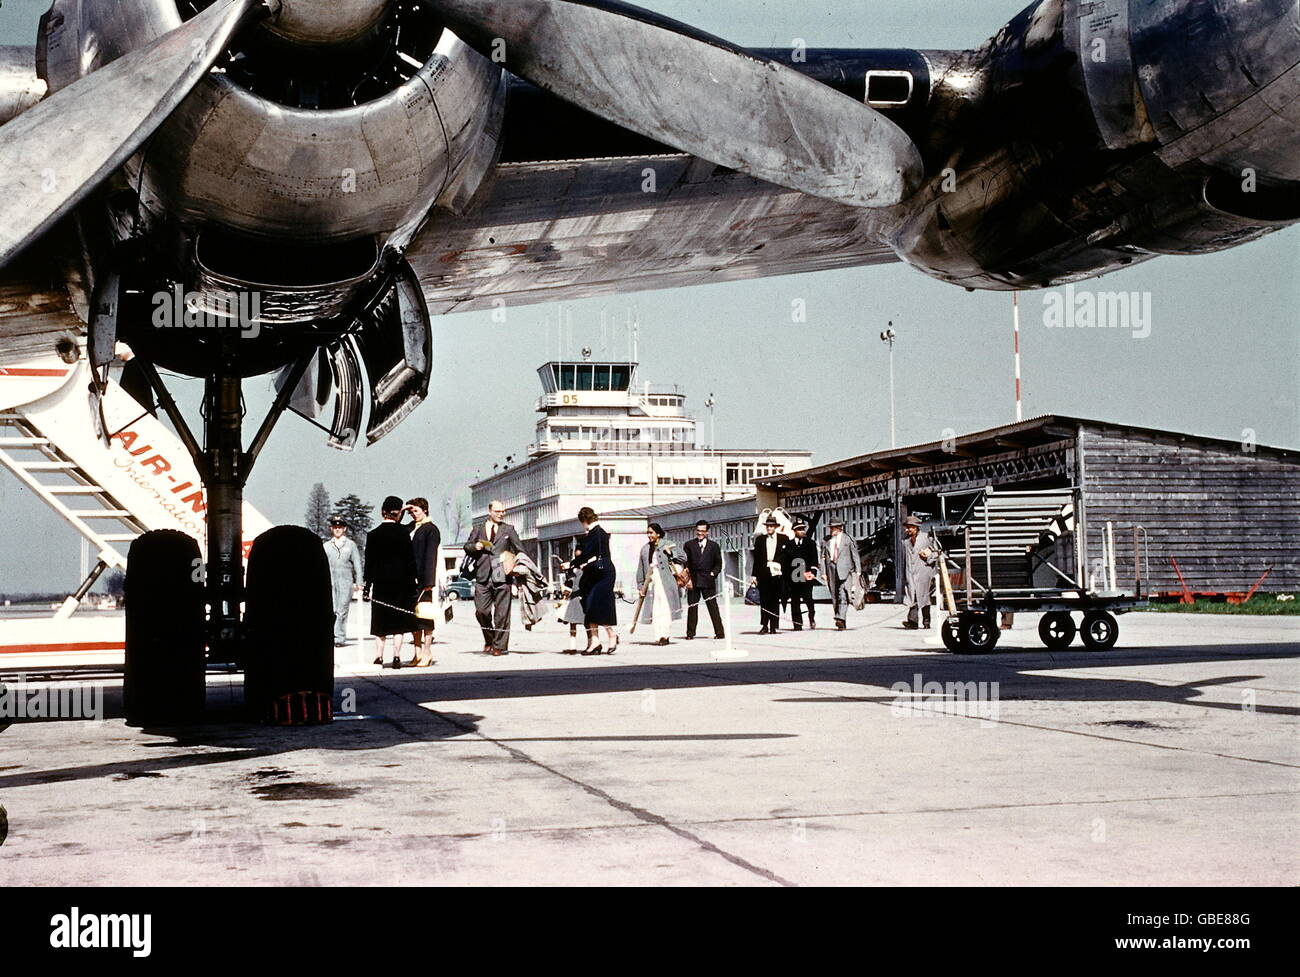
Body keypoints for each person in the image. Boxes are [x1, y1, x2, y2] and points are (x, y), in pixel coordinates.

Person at [363, 496, 418, 668]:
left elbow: (369, 563)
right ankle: (396, 656)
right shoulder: (403, 533)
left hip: (381, 584)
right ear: (398, 514)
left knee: (381, 621)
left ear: (382, 512)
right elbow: (410, 560)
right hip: (402, 585)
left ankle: (379, 656)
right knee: (399, 623)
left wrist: (367, 587)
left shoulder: (373, 535)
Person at [463, 500, 523, 656]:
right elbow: (467, 546)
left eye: (503, 511)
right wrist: (475, 546)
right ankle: (489, 639)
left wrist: (519, 574)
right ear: (489, 512)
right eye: (497, 511)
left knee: (502, 613)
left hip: (502, 574)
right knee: (481, 611)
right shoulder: (478, 528)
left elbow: (520, 551)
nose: (501, 514)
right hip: (483, 575)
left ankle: (500, 646)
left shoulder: (508, 530)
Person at [562, 507, 618, 655]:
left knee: (599, 604)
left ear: (584, 521)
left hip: (602, 573)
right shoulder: (597, 533)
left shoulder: (596, 533)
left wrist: (571, 564)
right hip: (596, 572)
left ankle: (611, 635)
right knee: (590, 605)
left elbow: (586, 554)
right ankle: (595, 641)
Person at [636, 522, 686, 646]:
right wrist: (641, 585)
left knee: (665, 608)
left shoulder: (668, 544)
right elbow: (641, 568)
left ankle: (665, 635)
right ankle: (658, 636)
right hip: (652, 582)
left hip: (666, 582)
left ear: (658, 533)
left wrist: (671, 553)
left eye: (651, 533)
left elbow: (683, 557)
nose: (649, 535)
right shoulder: (645, 548)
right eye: (648, 533)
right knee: (655, 609)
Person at [405, 497, 441, 666]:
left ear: (425, 510)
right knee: (412, 618)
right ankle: (417, 651)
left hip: (424, 580)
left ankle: (427, 651)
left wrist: (429, 581)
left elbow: (431, 557)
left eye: (416, 511)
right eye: (411, 512)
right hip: (409, 579)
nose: (413, 514)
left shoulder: (431, 529)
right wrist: (404, 510)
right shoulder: (411, 528)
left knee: (425, 617)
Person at [323, 516, 363, 647]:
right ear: (331, 529)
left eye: (340, 527)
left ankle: (339, 638)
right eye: (335, 527)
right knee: (331, 609)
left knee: (342, 610)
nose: (337, 530)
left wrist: (359, 582)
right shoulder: (326, 546)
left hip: (345, 581)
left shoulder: (350, 545)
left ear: (344, 528)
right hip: (330, 582)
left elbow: (357, 564)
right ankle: (330, 636)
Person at [682, 520, 725, 640]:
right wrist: (687, 580)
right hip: (694, 580)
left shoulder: (714, 546)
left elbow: (718, 563)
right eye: (698, 531)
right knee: (692, 607)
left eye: (702, 531)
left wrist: (713, 573)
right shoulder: (689, 545)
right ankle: (690, 633)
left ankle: (720, 632)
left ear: (707, 532)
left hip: (708, 580)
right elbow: (686, 564)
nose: (700, 533)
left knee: (713, 607)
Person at [749, 514, 789, 633]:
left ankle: (773, 625)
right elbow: (756, 559)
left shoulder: (783, 539)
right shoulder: (760, 540)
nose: (769, 528)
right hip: (764, 572)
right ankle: (764, 624)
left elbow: (787, 556)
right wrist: (754, 575)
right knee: (765, 600)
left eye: (771, 526)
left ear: (775, 527)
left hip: (777, 572)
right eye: (768, 526)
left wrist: (780, 565)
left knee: (775, 600)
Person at [820, 517, 860, 631]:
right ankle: (841, 620)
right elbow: (822, 557)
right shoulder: (826, 540)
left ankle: (840, 618)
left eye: (834, 528)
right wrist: (823, 572)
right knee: (834, 596)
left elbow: (855, 555)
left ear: (840, 528)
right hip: (831, 570)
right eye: (830, 527)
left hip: (845, 570)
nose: (831, 530)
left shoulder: (848, 539)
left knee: (843, 594)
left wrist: (858, 571)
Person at [901, 514, 939, 629]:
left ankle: (926, 622)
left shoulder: (926, 538)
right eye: (906, 527)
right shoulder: (905, 541)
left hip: (924, 572)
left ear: (916, 527)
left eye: (910, 527)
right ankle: (912, 622)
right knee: (912, 596)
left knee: (924, 597)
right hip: (911, 573)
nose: (907, 530)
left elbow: (937, 552)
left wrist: (928, 558)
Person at [782, 520, 820, 631]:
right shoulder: (789, 544)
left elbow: (814, 560)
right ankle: (797, 624)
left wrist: (813, 573)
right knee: (795, 600)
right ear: (794, 531)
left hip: (807, 577)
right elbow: (786, 562)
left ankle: (811, 617)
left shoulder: (810, 543)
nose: (802, 531)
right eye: (799, 529)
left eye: (803, 528)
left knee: (808, 599)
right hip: (793, 578)